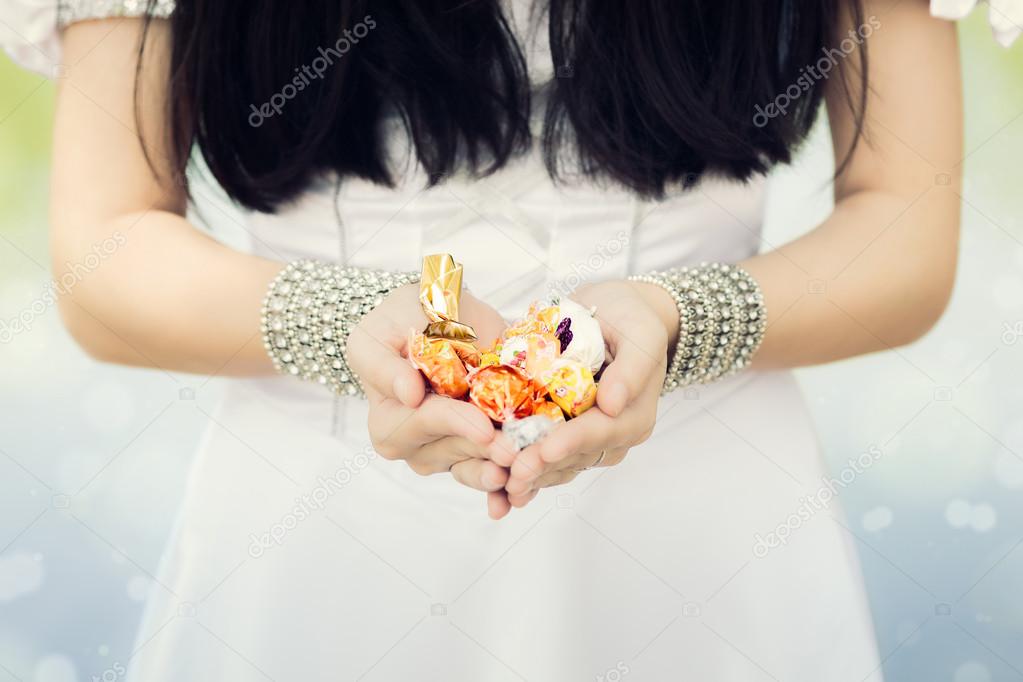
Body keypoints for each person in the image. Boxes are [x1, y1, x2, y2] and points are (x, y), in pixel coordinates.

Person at [2, 0, 1005, 679]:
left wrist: (677, 319)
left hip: (714, 540)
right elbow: (105, 253)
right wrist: (348, 325)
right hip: (313, 539)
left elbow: (906, 235)